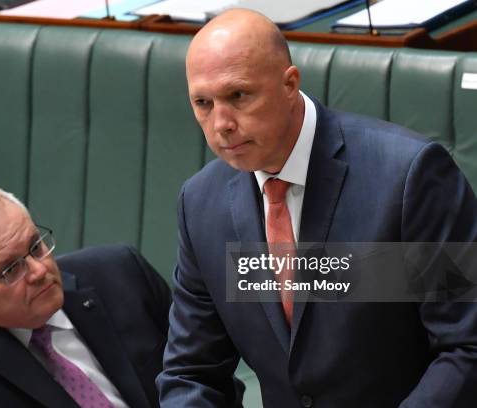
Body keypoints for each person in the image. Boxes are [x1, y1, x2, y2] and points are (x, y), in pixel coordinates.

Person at [157, 8, 477, 408]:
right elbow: (191, 372)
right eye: (203, 103)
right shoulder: (201, 204)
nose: (220, 123)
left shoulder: (408, 176)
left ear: (290, 84)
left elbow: (467, 346)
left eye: (238, 95)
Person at [0, 185, 171, 408]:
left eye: (36, 246)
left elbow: (201, 368)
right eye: (10, 269)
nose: (39, 270)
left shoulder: (121, 273)